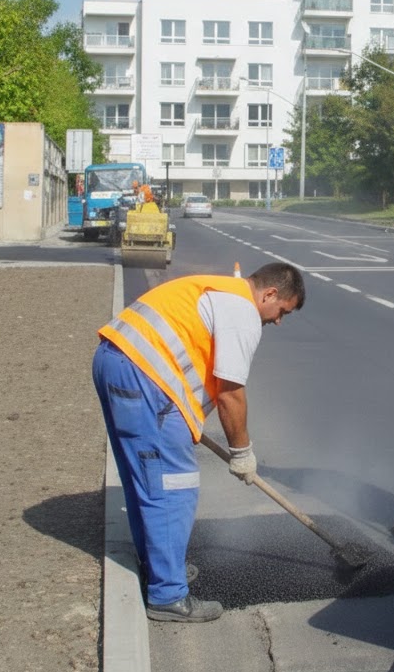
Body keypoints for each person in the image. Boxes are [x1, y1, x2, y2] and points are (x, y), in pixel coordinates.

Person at [92, 262, 306, 623]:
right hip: (144, 378)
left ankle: (160, 567)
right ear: (269, 294)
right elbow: (231, 394)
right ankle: (168, 596)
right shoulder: (243, 313)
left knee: (145, 480)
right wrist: (242, 453)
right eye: (282, 310)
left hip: (115, 362)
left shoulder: (220, 290)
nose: (278, 320)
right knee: (175, 487)